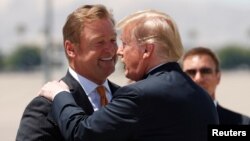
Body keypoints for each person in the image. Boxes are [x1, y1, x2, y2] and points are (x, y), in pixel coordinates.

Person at [39, 9, 219, 141]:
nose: (119, 51)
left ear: (147, 50)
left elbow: (81, 134)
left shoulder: (138, 95)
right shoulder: (202, 97)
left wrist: (60, 95)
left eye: (124, 43)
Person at [16, 4, 120, 141]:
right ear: (70, 49)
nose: (110, 49)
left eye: (113, 40)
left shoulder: (128, 98)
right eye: (99, 42)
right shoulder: (46, 107)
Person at [182, 46, 250, 124]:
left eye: (205, 71)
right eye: (191, 72)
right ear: (181, 78)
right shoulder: (168, 122)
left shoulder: (241, 123)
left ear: (218, 77)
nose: (198, 78)